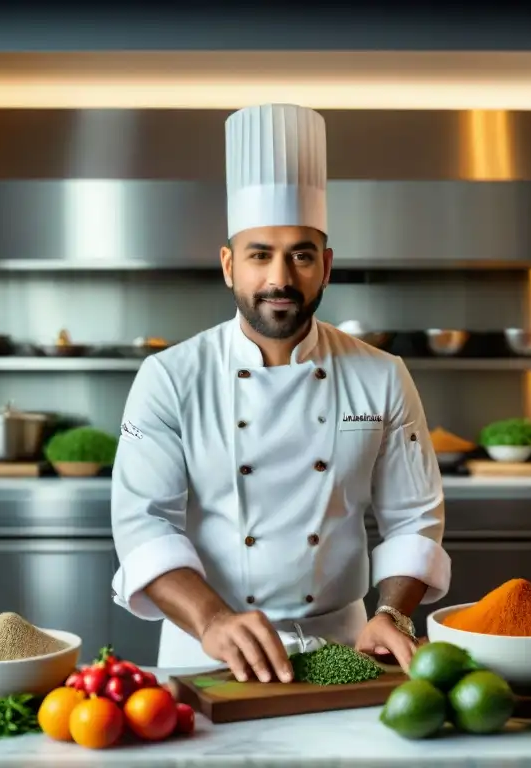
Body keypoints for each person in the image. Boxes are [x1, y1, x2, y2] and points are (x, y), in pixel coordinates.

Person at [110, 103, 451, 682]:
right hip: (207, 651)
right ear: (228, 266)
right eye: (259, 254)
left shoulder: (382, 375)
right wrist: (213, 620)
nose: (280, 278)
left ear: (327, 266)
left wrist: (392, 611)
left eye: (301, 254)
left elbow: (414, 520)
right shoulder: (169, 377)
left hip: (347, 649)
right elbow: (145, 525)